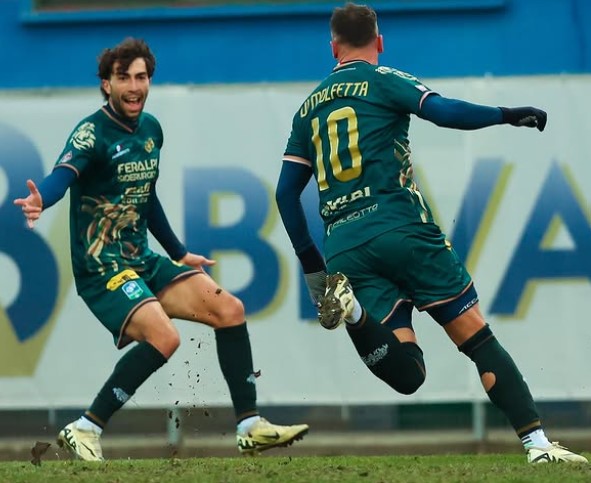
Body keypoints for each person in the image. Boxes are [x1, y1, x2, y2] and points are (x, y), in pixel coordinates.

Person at [275, 3, 586, 464]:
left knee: (409, 375)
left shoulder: (308, 108)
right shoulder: (384, 80)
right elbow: (442, 111)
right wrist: (505, 114)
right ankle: (537, 445)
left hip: (345, 247)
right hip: (402, 230)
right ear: (379, 42)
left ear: (333, 47)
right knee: (475, 337)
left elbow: (286, 194)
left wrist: (314, 270)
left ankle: (354, 312)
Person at [14, 37, 308, 462]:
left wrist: (179, 252)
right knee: (165, 337)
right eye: (124, 78)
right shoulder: (91, 132)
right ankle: (85, 427)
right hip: (102, 266)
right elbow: (64, 173)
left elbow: (146, 198)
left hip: (143, 260)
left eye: (142, 77)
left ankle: (250, 427)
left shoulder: (151, 130)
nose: (135, 87)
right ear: (107, 85)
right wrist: (41, 197)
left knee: (230, 310)